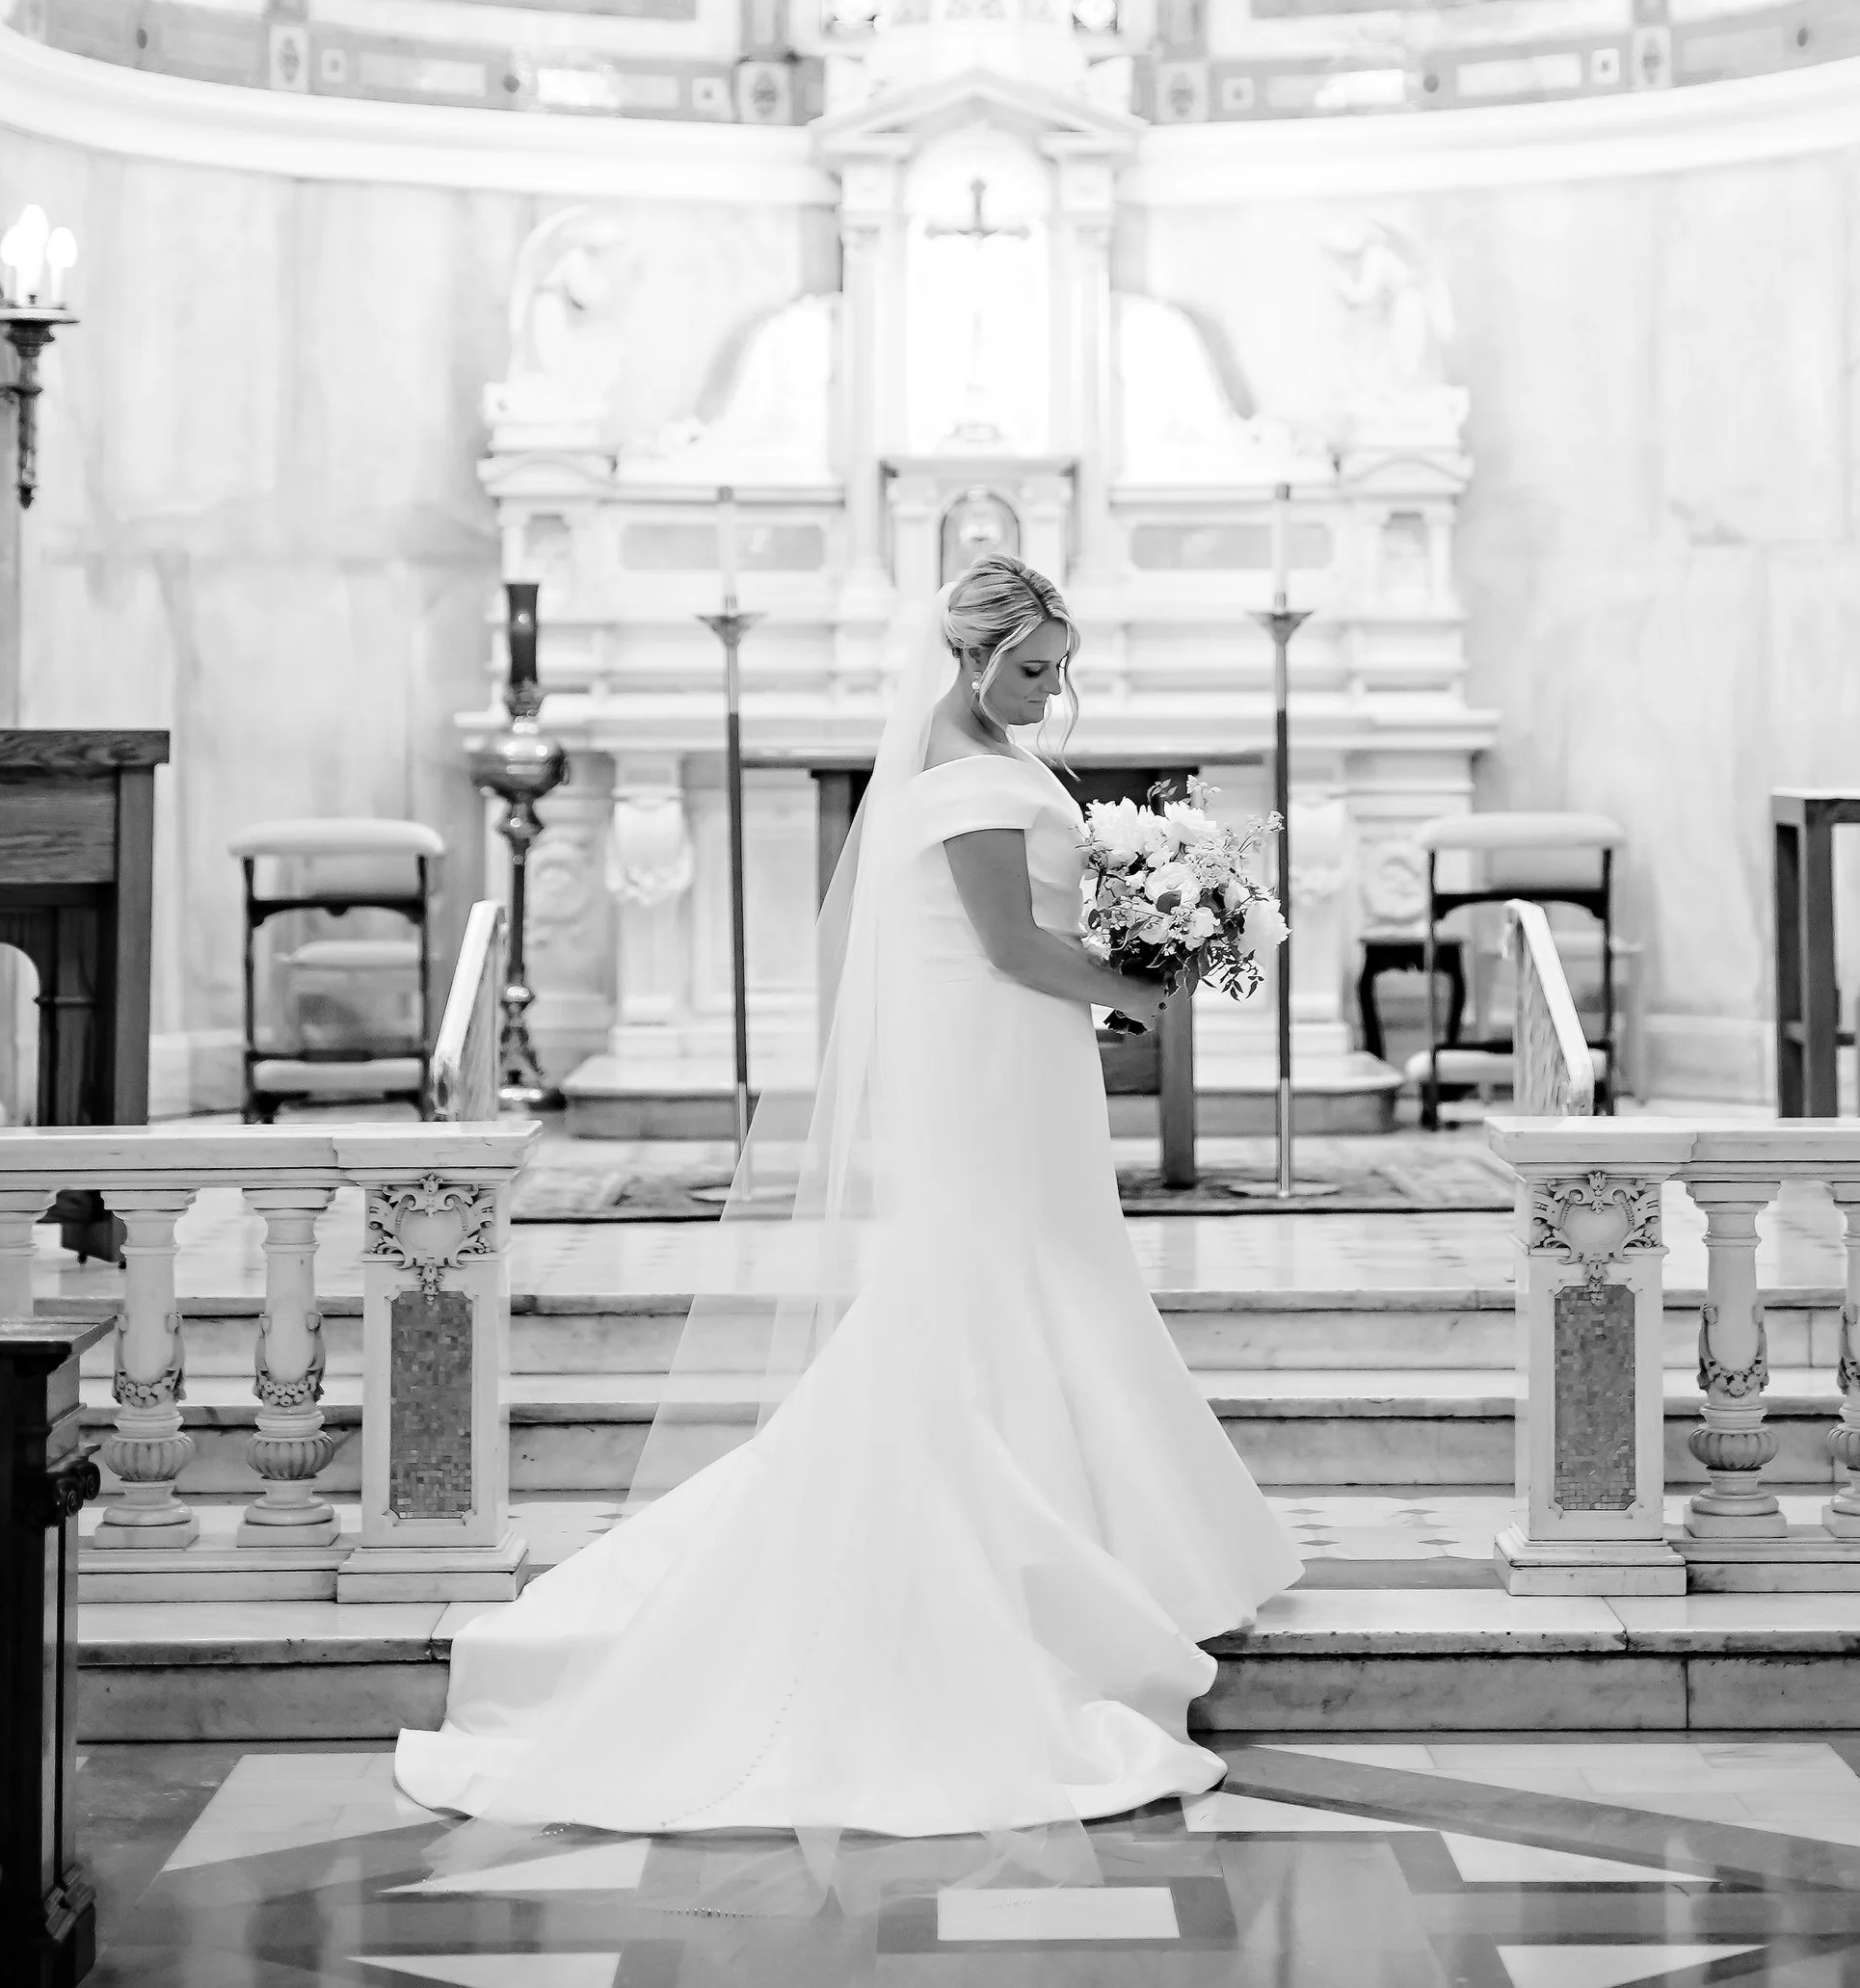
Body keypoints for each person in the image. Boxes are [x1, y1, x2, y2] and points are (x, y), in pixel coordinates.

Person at [395, 554, 1297, 1834]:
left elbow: (1036, 931)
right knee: (995, 1269)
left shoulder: (981, 750)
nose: (1055, 690)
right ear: (966, 654)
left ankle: (1101, 1539)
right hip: (990, 1056)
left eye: (1063, 667)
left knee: (1048, 1266)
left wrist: (1152, 919)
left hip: (1015, 1050)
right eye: (1033, 667)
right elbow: (1009, 945)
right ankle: (1040, 1554)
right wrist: (1143, 983)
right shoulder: (968, 772)